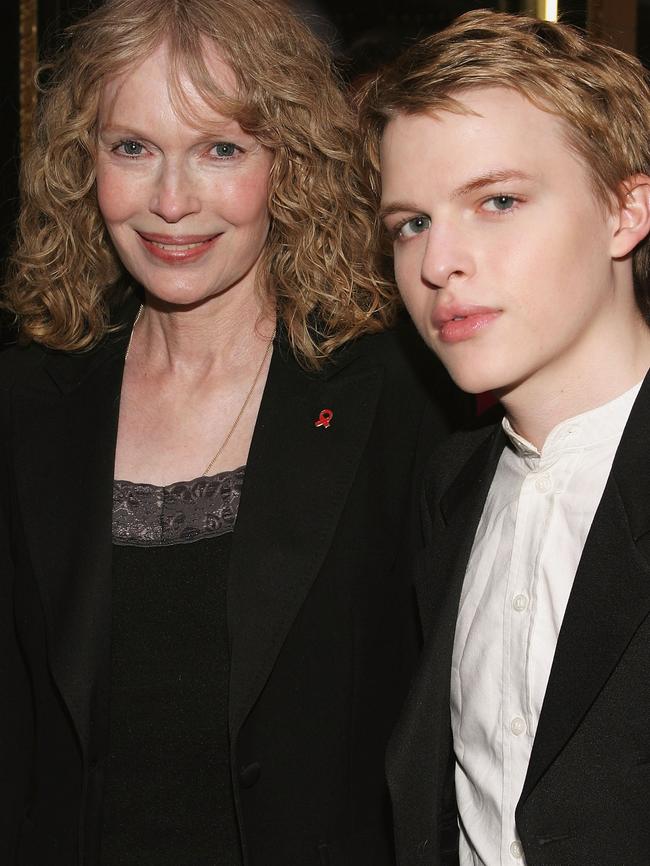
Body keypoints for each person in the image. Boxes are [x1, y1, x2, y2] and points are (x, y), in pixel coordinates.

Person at [0, 0, 458, 863]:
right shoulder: (28, 401)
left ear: (292, 163)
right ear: (79, 163)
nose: (172, 203)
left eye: (221, 149)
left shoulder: (402, 400)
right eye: (131, 148)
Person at [357, 10, 650, 866]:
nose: (438, 261)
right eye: (410, 223)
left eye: (497, 201)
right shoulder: (446, 490)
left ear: (626, 210)